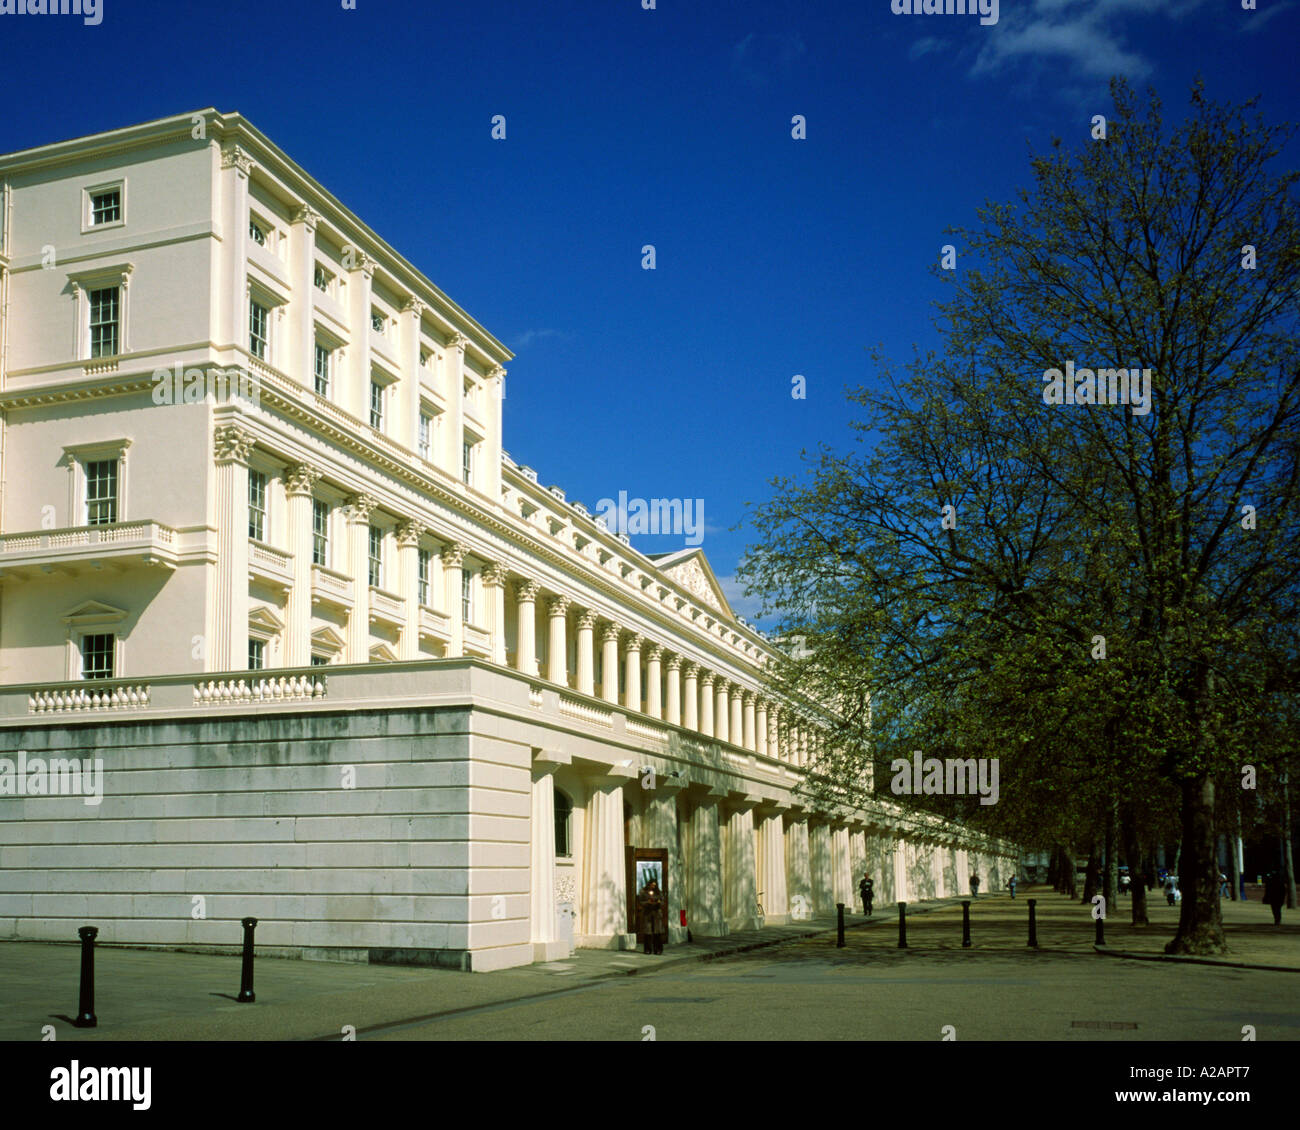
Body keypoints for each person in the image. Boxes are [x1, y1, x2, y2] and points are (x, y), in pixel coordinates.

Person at [637, 879, 667, 954]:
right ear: (649, 884)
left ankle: (658, 949)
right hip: (648, 913)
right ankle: (648, 949)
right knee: (648, 932)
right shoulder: (643, 891)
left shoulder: (658, 892)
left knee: (657, 932)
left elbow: (662, 901)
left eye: (654, 885)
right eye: (652, 885)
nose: (653, 887)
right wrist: (647, 902)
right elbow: (640, 901)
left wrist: (659, 902)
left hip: (656, 913)